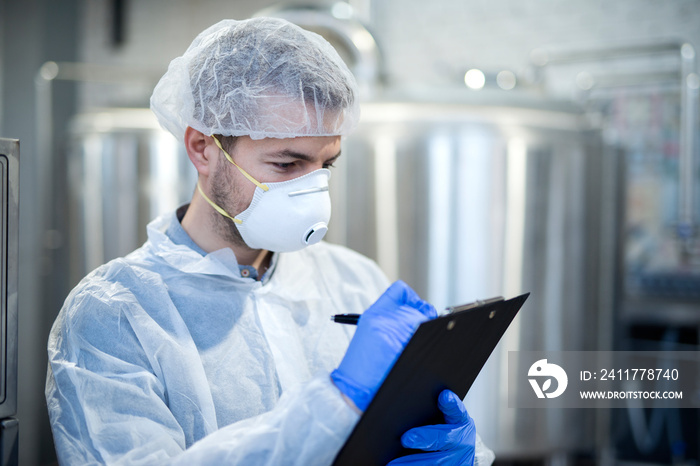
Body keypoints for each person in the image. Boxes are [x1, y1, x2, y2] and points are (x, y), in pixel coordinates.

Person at [45, 17, 495, 465]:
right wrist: (338, 402)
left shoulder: (352, 279)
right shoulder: (112, 317)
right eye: (285, 164)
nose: (312, 191)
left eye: (326, 166)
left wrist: (454, 452)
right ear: (202, 148)